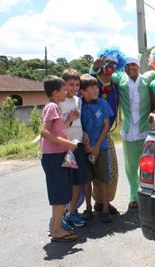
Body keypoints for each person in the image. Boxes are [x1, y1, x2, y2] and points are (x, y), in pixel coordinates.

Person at [91, 56, 155, 210]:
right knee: (130, 167)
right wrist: (94, 67)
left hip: (146, 130)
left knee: (148, 165)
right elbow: (100, 75)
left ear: (138, 66)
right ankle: (133, 196)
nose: (130, 68)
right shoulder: (120, 78)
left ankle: (147, 194)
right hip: (128, 131)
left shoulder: (147, 77)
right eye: (127, 66)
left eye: (133, 65)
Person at [40, 75, 77, 242]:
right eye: (64, 89)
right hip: (53, 156)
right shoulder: (52, 106)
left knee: (60, 192)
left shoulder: (55, 107)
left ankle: (56, 226)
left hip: (57, 155)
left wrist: (69, 121)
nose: (67, 91)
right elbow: (44, 131)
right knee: (59, 193)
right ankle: (56, 229)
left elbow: (56, 129)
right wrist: (67, 143)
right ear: (55, 92)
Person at [91, 48, 124, 215]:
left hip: (107, 134)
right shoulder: (91, 81)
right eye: (107, 62)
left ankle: (105, 201)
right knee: (90, 173)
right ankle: (93, 204)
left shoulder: (115, 86)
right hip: (88, 135)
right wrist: (92, 69)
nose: (110, 66)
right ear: (101, 63)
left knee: (110, 171)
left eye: (114, 64)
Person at [79, 74, 114, 223]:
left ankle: (105, 207)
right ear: (82, 91)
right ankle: (88, 208)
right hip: (84, 148)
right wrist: (87, 146)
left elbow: (106, 125)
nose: (95, 90)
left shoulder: (103, 104)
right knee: (87, 180)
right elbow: (78, 127)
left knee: (103, 179)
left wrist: (97, 146)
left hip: (102, 147)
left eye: (96, 87)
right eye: (91, 88)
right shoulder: (79, 106)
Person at [58, 69, 88, 227]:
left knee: (78, 181)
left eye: (77, 84)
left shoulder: (78, 100)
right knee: (65, 182)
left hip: (78, 146)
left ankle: (72, 212)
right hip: (64, 147)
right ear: (64, 85)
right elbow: (57, 128)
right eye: (71, 84)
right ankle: (59, 216)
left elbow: (79, 121)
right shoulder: (59, 102)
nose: (74, 88)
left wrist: (85, 133)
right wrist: (69, 119)